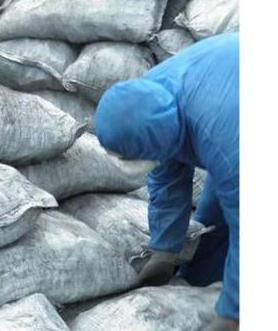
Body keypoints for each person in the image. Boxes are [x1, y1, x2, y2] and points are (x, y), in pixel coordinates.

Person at [95, 32, 239, 331]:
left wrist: (233, 315)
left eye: (127, 158)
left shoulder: (226, 145)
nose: (126, 164)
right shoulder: (149, 102)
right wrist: (165, 249)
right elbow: (167, 178)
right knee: (213, 226)